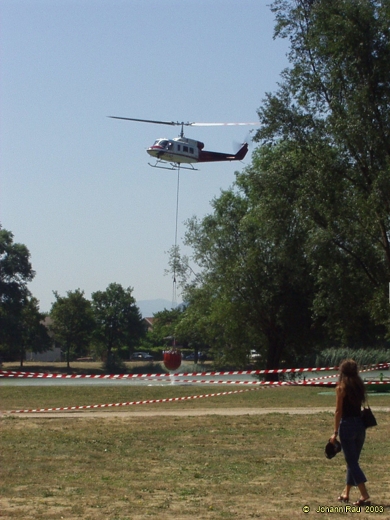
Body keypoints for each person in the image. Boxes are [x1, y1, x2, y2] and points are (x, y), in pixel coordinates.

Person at [329, 359, 371, 505]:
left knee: (352, 462)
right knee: (352, 462)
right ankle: (346, 493)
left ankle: (364, 494)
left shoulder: (341, 387)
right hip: (360, 425)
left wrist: (334, 432)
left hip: (347, 425)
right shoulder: (359, 386)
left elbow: (338, 410)